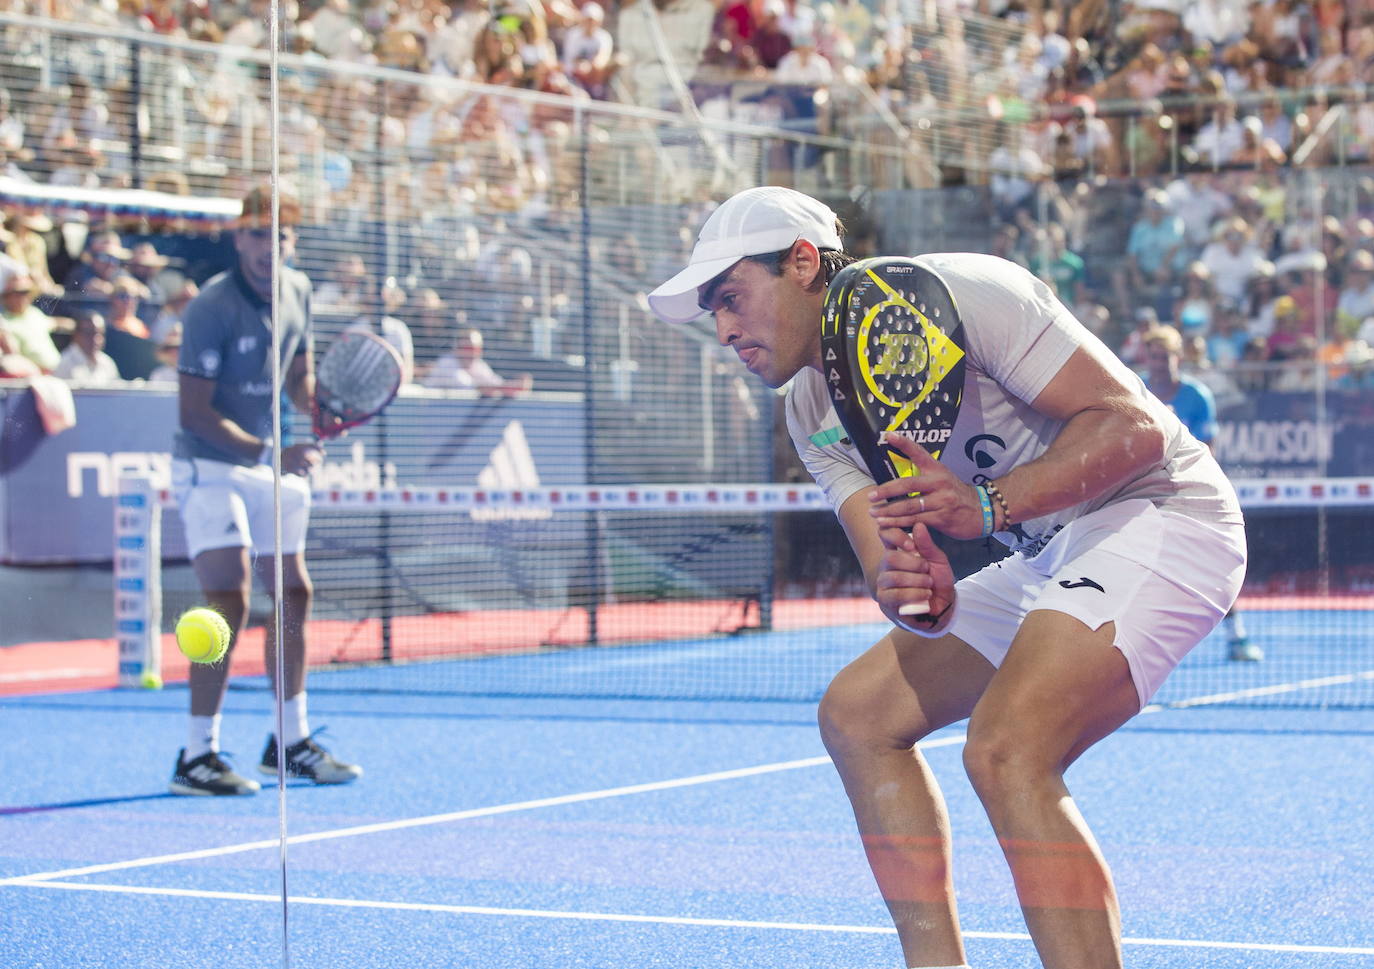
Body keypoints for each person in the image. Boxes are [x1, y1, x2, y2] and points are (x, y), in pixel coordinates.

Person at [647, 186, 1247, 969]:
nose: (724, 329)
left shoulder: (970, 291)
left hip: (1164, 512)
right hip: (1049, 547)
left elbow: (1133, 427)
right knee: (857, 716)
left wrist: (990, 504)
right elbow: (886, 558)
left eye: (732, 298)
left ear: (801, 264)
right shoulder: (808, 411)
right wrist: (911, 586)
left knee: (1005, 747)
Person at [168, 185, 362, 797]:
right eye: (255, 233)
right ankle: (197, 755)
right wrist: (272, 452)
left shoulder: (299, 291)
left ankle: (290, 742)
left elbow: (298, 374)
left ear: (290, 241)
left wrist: (317, 407)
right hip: (211, 464)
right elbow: (194, 414)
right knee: (227, 597)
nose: (265, 245)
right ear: (237, 238)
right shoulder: (211, 307)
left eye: (277, 234)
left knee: (294, 592)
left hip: (267, 462)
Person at [421, 327, 531, 396]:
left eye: (476, 349)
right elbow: (472, 389)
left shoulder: (479, 365)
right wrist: (507, 387)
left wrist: (515, 385)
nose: (472, 353)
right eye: (467, 348)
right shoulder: (446, 364)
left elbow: (495, 384)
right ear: (457, 348)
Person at [0, 271, 61, 374]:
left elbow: (57, 323)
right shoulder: (3, 321)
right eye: (18, 293)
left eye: (25, 292)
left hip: (58, 371)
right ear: (7, 296)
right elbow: (12, 354)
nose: (23, 297)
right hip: (32, 378)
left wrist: (80, 325)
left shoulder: (34, 313)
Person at [53, 310, 120, 385]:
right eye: (89, 333)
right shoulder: (63, 364)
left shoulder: (107, 363)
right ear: (76, 335)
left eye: (99, 334)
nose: (95, 339)